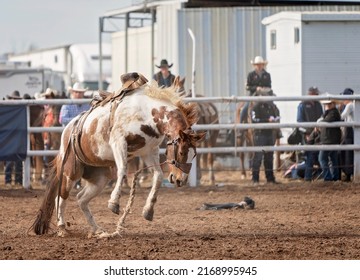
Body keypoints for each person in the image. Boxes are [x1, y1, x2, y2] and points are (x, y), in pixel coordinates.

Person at [251, 92, 280, 185]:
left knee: (269, 157)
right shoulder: (256, 107)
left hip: (269, 133)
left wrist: (275, 119)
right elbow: (254, 120)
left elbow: (275, 116)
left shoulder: (271, 107)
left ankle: (270, 178)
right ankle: (255, 179)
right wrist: (267, 120)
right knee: (258, 157)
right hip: (259, 134)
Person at [296, 86, 323, 181]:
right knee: (310, 155)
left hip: (317, 133)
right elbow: (299, 122)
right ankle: (308, 177)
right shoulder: (302, 105)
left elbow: (321, 118)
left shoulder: (318, 105)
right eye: (316, 94)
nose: (317, 96)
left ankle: (319, 176)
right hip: (307, 135)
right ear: (311, 94)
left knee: (319, 154)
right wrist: (307, 133)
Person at [240, 56, 272, 124]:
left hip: (265, 95)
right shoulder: (251, 75)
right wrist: (256, 88)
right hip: (253, 95)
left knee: (273, 107)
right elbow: (247, 87)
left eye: (261, 64)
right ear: (255, 66)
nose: (259, 66)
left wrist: (264, 89)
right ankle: (240, 128)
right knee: (245, 109)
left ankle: (277, 128)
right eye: (257, 65)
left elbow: (269, 86)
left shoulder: (267, 75)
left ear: (263, 65)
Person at [318, 99, 342, 181]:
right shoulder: (332, 112)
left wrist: (320, 121)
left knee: (322, 158)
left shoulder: (333, 113)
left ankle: (328, 177)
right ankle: (334, 177)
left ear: (333, 104)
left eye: (328, 104)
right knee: (333, 158)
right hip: (330, 139)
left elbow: (326, 121)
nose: (326, 106)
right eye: (326, 104)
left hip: (329, 139)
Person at [4, 91, 23, 188]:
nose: (15, 100)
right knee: (9, 160)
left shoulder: (19, 110)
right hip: (10, 137)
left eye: (16, 99)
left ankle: (18, 181)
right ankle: (8, 180)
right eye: (14, 99)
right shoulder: (10, 110)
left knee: (18, 159)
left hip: (17, 136)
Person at [339, 88, 354, 181]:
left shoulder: (349, 105)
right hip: (353, 131)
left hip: (350, 131)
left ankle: (348, 173)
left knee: (347, 152)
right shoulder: (355, 104)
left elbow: (342, 116)